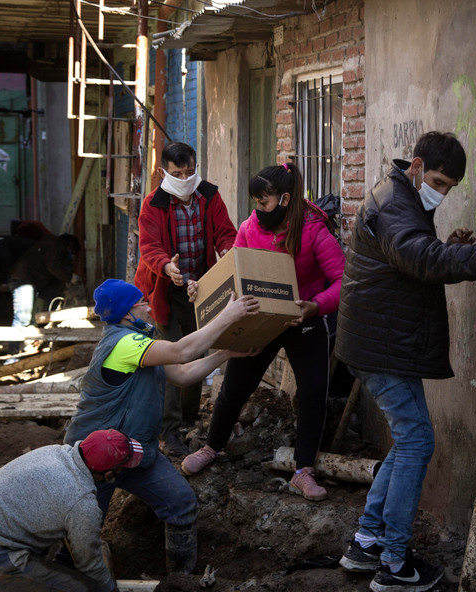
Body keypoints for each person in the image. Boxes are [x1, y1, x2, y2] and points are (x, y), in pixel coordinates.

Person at [334, 132, 476, 592]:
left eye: (451, 186)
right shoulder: (398, 203)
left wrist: (452, 246)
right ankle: (395, 564)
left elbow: (411, 255)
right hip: (381, 348)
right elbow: (420, 257)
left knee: (408, 440)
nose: (443, 191)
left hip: (380, 343)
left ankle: (367, 542)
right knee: (417, 442)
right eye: (439, 180)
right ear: (416, 165)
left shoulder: (400, 195)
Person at [63, 279, 259, 576]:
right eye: (142, 302)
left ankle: (179, 581)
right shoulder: (123, 344)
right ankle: (63, 578)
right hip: (95, 457)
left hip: (136, 451)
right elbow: (181, 352)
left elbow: (181, 374)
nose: (148, 306)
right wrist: (228, 315)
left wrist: (225, 354)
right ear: (127, 313)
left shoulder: (140, 343)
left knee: (180, 503)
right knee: (83, 530)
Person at [181, 162, 346, 502]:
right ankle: (212, 447)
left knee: (314, 393)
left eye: (264, 202)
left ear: (286, 199)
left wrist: (315, 305)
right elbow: (231, 271)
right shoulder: (249, 228)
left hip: (304, 319)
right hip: (261, 319)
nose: (258, 210)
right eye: (255, 202)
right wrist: (203, 290)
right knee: (235, 386)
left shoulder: (314, 230)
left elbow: (345, 282)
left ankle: (303, 471)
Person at [0, 429, 144, 592]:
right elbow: (90, 564)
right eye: (120, 469)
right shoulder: (81, 503)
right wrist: (109, 589)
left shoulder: (52, 452)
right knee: (83, 589)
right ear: (108, 475)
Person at [135, 141, 238, 457]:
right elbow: (149, 247)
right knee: (173, 357)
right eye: (177, 173)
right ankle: (169, 432)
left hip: (202, 287)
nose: (184, 177)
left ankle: (189, 422)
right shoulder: (153, 204)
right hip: (165, 289)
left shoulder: (208, 194)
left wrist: (230, 254)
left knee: (197, 351)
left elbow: (225, 233)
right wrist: (168, 267)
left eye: (190, 171)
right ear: (163, 171)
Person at [7, 232, 81, 355]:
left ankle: (23, 349)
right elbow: (53, 267)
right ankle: (12, 355)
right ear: (69, 244)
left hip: (29, 280)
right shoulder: (55, 244)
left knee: (30, 320)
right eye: (71, 252)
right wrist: (69, 277)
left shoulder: (50, 244)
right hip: (23, 280)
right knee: (22, 318)